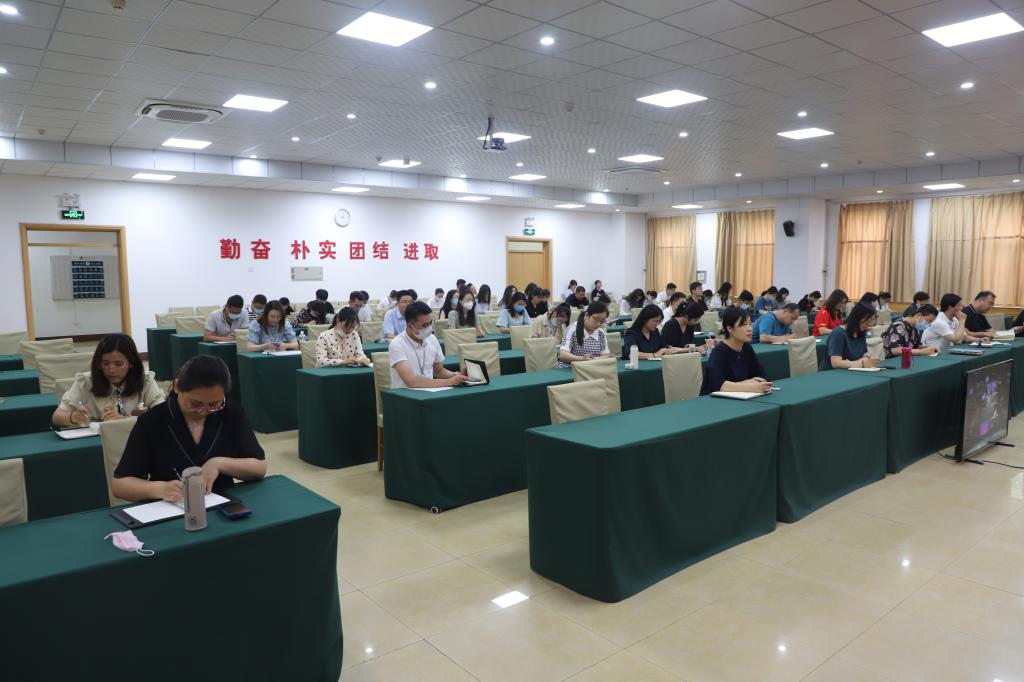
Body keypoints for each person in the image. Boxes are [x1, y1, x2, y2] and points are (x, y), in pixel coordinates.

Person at [111, 355, 266, 502]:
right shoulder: (153, 421)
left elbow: (259, 467)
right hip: (171, 506)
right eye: (195, 404)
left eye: (214, 404)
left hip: (222, 504)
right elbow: (119, 485)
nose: (203, 411)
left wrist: (219, 463)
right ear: (177, 386)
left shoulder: (231, 413)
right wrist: (161, 488)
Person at [52, 333, 165, 427]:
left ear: (131, 363)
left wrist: (124, 420)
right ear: (99, 363)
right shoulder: (85, 382)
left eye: (118, 364)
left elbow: (163, 416)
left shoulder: (145, 381)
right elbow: (57, 417)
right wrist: (72, 417)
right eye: (105, 363)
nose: (111, 369)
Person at [389, 301, 466, 389]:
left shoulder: (432, 338)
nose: (429, 328)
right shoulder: (397, 344)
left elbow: (439, 371)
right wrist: (449, 382)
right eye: (425, 325)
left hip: (430, 391)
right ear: (410, 326)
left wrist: (457, 375)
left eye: (430, 323)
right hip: (406, 393)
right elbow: (411, 381)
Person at [700, 307, 771, 395]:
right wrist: (750, 387)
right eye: (744, 325)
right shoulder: (719, 351)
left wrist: (751, 381)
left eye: (750, 324)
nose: (749, 328)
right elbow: (716, 385)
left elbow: (763, 376)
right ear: (729, 328)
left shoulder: (746, 348)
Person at [821, 302, 880, 370]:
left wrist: (870, 359)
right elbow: (836, 363)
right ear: (857, 318)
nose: (869, 324)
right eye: (867, 320)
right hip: (832, 373)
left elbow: (864, 355)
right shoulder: (838, 333)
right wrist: (862, 364)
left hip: (852, 371)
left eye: (872, 321)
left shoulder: (861, 332)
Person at [557, 301, 611, 368]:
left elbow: (606, 355)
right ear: (587, 315)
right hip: (570, 368)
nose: (598, 324)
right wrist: (583, 359)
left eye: (602, 321)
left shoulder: (600, 333)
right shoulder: (572, 329)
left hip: (590, 368)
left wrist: (593, 360)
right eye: (596, 319)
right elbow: (563, 355)